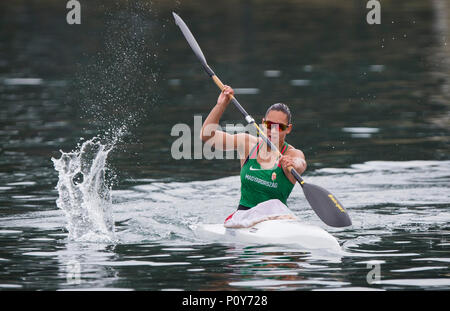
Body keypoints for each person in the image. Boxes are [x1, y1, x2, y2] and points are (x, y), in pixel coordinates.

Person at [200, 86, 307, 228]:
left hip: (277, 221)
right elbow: (207, 136)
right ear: (263, 123)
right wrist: (221, 105)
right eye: (269, 125)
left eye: (279, 127)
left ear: (288, 129)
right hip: (243, 218)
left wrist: (293, 163)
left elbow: (301, 164)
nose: (272, 130)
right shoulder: (247, 144)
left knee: (274, 204)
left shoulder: (292, 154)